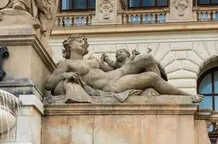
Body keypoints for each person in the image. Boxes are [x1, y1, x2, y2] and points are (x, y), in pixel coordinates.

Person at [45, 35, 203, 103]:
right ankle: (187, 96)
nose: (83, 44)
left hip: (115, 74)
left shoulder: (93, 60)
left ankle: (152, 91)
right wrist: (65, 75)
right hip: (111, 86)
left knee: (146, 58)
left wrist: (129, 61)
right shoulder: (64, 64)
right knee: (151, 78)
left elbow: (112, 67)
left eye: (84, 42)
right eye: (79, 41)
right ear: (69, 45)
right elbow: (48, 85)